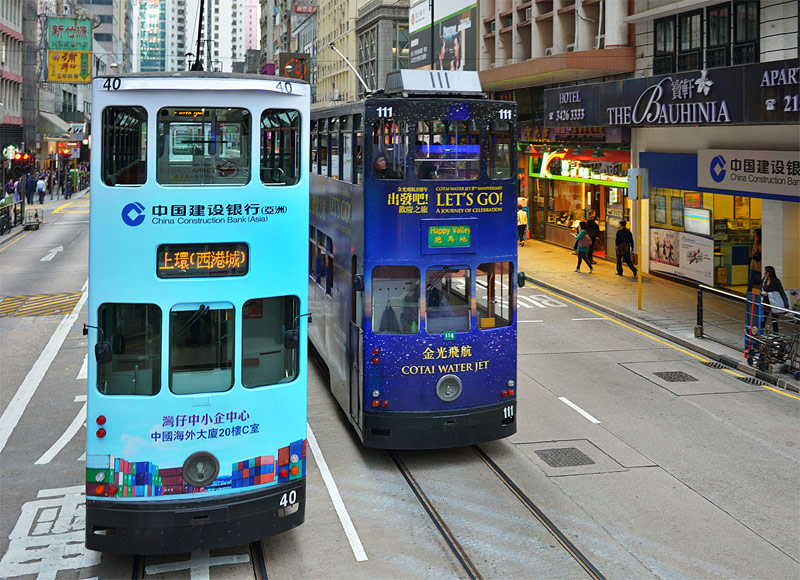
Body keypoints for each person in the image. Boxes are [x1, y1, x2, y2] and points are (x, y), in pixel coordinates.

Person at [760, 265, 789, 334]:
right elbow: (761, 289)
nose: (764, 273)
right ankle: (761, 333)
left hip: (774, 303)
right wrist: (762, 293)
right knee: (763, 319)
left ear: (769, 273)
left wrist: (786, 305)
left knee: (774, 320)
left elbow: (782, 292)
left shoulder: (776, 282)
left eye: (765, 272)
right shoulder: (764, 280)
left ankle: (776, 335)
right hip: (766, 302)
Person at [747, 228, 762, 296]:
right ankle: (748, 292)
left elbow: (758, 250)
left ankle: (761, 292)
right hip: (754, 262)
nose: (754, 235)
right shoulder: (755, 241)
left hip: (759, 262)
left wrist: (756, 251)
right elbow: (753, 250)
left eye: (755, 233)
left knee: (760, 278)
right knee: (751, 278)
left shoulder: (760, 242)